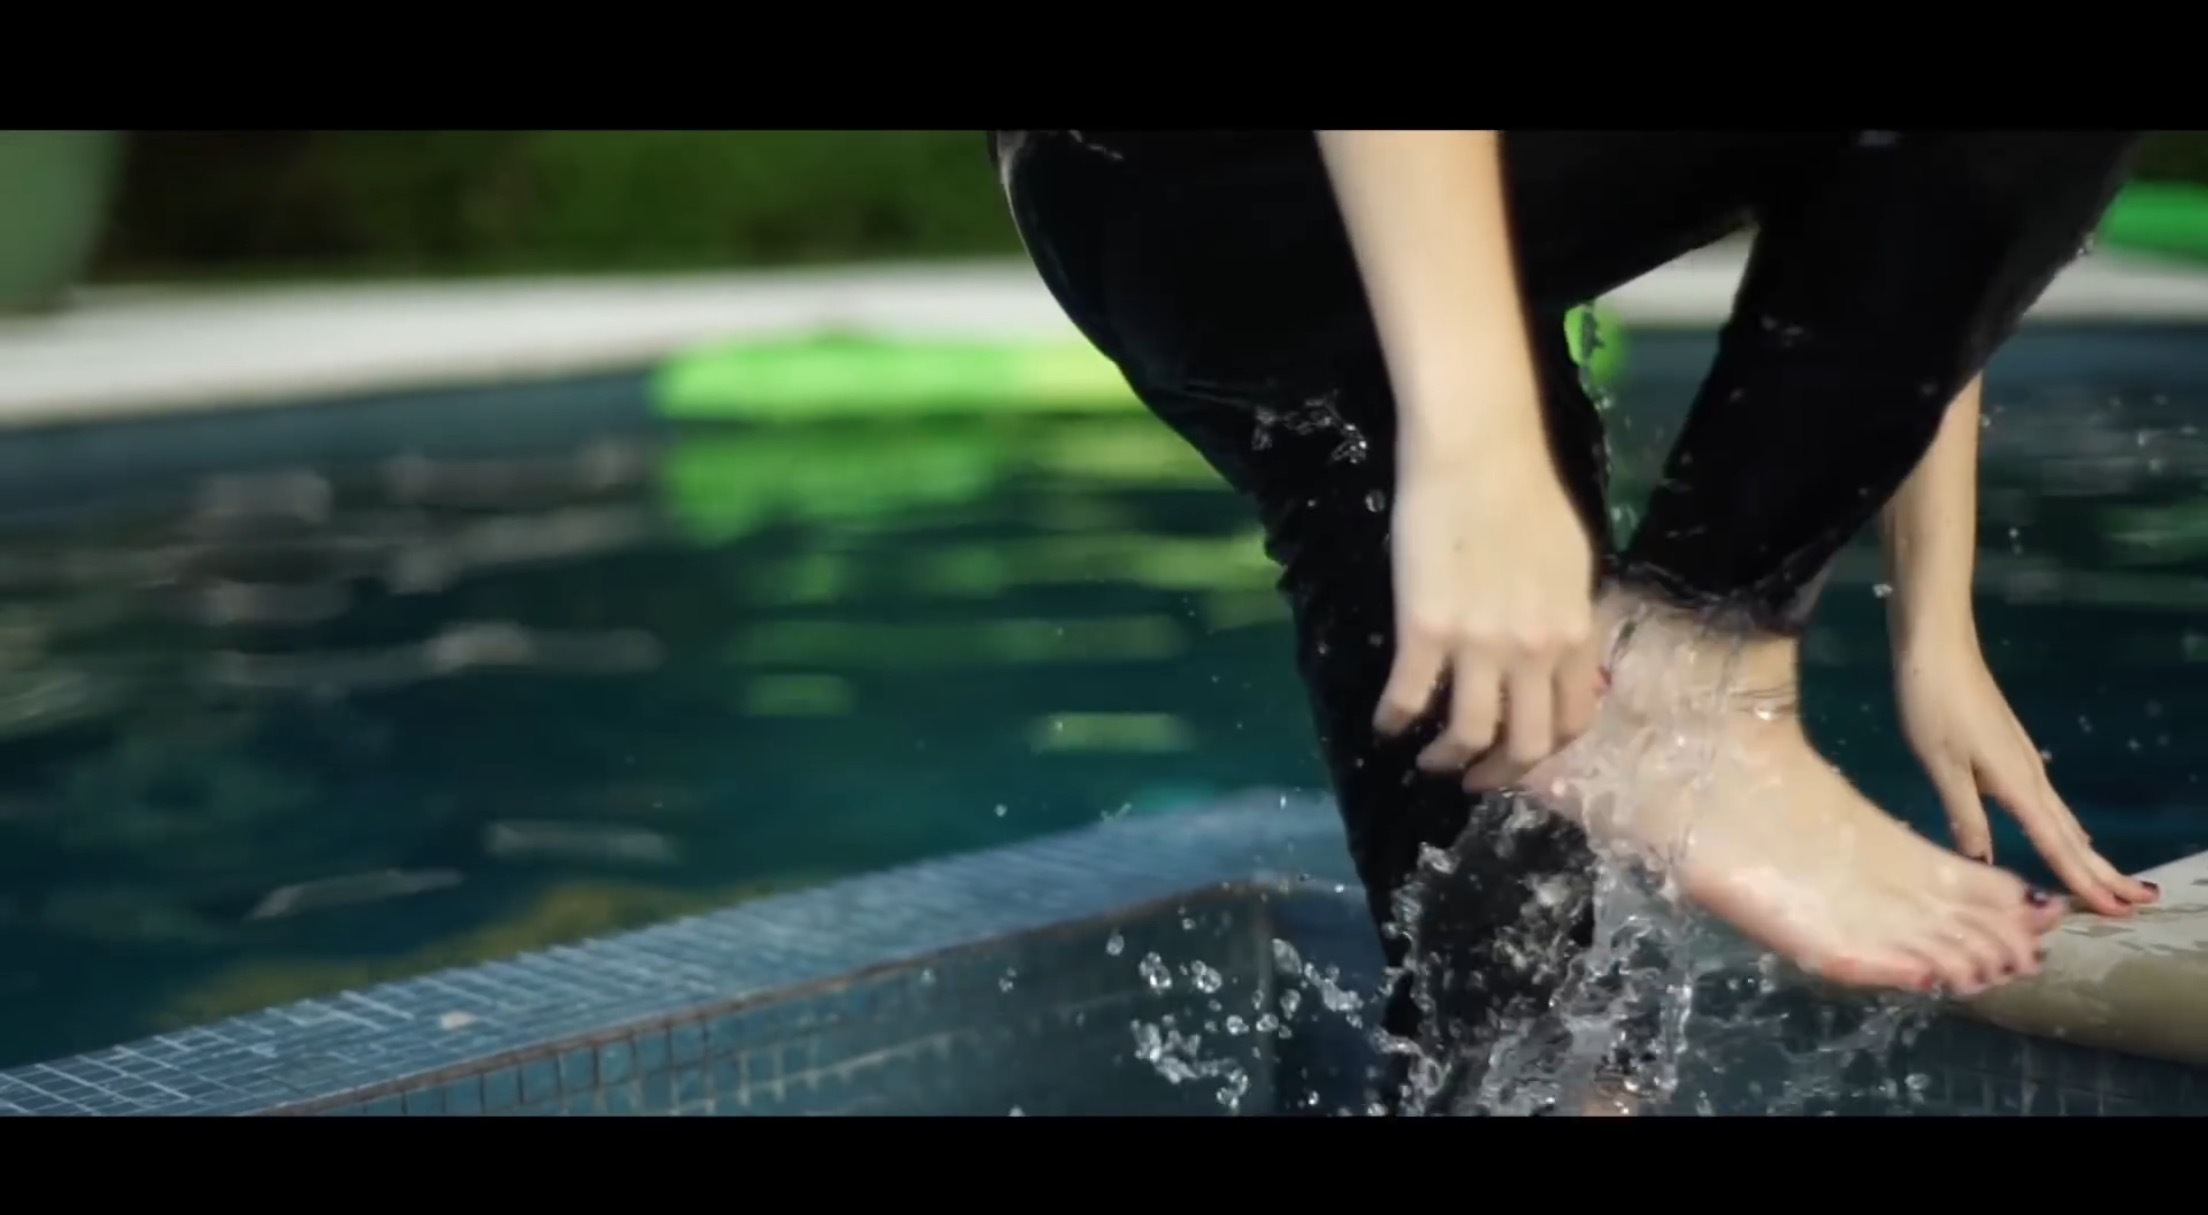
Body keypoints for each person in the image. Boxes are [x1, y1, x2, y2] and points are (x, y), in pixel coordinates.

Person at [990, 130, 2152, 1113]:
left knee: (1526, 1023)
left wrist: (1935, 626)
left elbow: (1912, 251)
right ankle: (1690, 666)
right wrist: (1481, 448)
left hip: (1223, 238)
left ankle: (1677, 684)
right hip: (1223, 179)